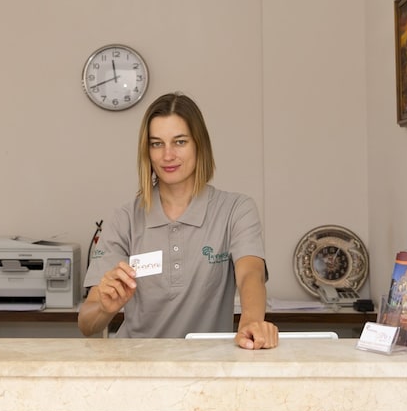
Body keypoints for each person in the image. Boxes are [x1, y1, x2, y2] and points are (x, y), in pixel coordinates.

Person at [78, 92, 279, 349]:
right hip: (137, 364)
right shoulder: (124, 219)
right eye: (156, 144)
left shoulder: (236, 210)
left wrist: (251, 323)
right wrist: (104, 308)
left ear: (199, 145)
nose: (168, 155)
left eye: (180, 142)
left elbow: (251, 274)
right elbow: (87, 323)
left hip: (208, 365)